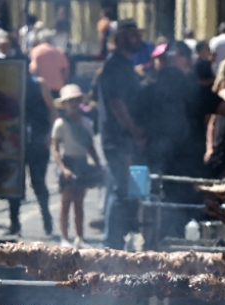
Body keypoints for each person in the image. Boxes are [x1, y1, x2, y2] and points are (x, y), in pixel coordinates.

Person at [135, 42, 225, 241]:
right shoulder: (193, 91)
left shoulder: (146, 91)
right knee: (184, 216)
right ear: (185, 61)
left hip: (153, 164)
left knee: (150, 211)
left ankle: (150, 252)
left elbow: (137, 130)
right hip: (187, 167)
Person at [95, 17, 145, 249]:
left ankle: (127, 236)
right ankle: (111, 243)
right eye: (134, 35)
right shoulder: (114, 65)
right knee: (120, 188)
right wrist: (134, 130)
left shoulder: (126, 65)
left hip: (127, 140)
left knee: (133, 188)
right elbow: (116, 103)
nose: (139, 39)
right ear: (122, 38)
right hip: (118, 139)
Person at [52, 84, 101, 246]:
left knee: (79, 203)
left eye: (75, 100)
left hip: (82, 162)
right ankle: (64, 238)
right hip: (69, 161)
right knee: (66, 202)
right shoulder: (60, 124)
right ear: (64, 104)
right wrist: (63, 168)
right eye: (69, 101)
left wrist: (99, 164)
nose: (73, 104)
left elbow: (90, 147)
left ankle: (80, 237)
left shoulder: (86, 123)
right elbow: (56, 149)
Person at [8, 74, 55, 236]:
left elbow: (52, 109)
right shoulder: (10, 80)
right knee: (14, 182)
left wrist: (51, 134)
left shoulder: (38, 83)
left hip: (38, 140)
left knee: (39, 182)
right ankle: (14, 223)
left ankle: (47, 221)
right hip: (16, 141)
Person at [30, 29, 69, 94]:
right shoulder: (59, 52)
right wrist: (64, 83)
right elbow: (65, 70)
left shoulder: (36, 51)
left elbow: (34, 70)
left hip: (41, 89)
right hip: (57, 88)